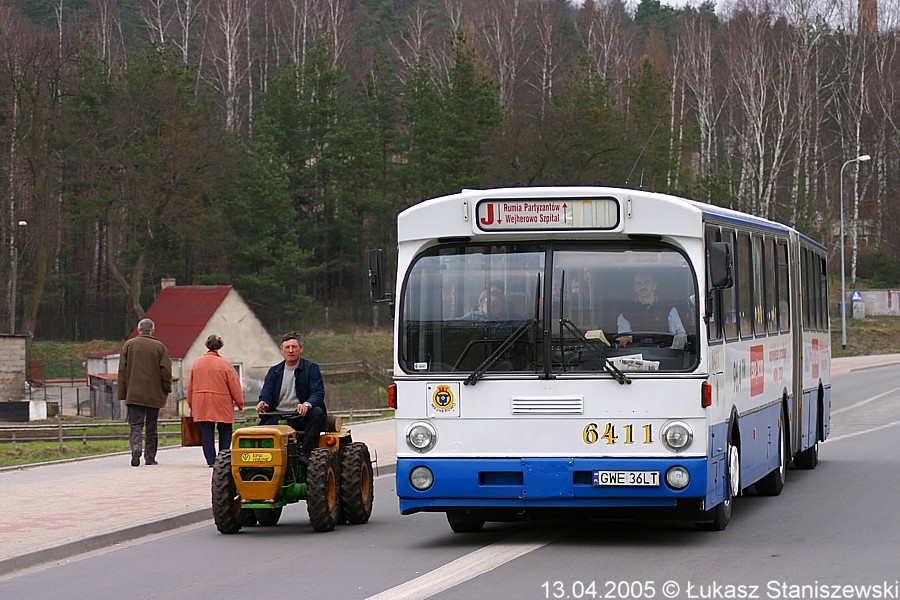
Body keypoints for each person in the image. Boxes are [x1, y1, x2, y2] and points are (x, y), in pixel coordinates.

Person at [255, 332, 327, 458]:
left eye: (294, 347)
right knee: (258, 435)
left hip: (301, 416)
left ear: (301, 349)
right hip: (278, 416)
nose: (291, 351)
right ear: (282, 350)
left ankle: (307, 454)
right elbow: (266, 394)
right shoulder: (274, 371)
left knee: (317, 413)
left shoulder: (311, 368)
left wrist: (306, 404)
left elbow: (318, 392)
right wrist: (263, 403)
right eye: (287, 347)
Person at [118, 318, 173, 467]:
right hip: (154, 395)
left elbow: (122, 370)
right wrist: (166, 388)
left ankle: (136, 447)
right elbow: (166, 370)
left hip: (134, 393)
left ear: (138, 330)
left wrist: (123, 393)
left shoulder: (129, 345)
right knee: (151, 426)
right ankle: (150, 457)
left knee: (135, 424)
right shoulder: (160, 347)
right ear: (153, 330)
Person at [187, 334, 245, 467]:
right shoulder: (225, 364)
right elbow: (234, 385)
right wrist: (240, 403)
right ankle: (223, 459)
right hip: (221, 402)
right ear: (220, 346)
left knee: (206, 432)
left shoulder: (197, 363)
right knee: (225, 429)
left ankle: (211, 461)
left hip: (201, 402)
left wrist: (191, 403)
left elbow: (190, 386)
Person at [617, 271, 687, 349]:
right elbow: (624, 338)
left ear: (654, 286)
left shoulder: (669, 310)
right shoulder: (625, 313)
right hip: (636, 358)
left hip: (665, 357)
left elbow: (681, 335)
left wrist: (673, 348)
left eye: (646, 282)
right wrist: (625, 340)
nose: (642, 286)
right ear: (634, 287)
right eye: (638, 283)